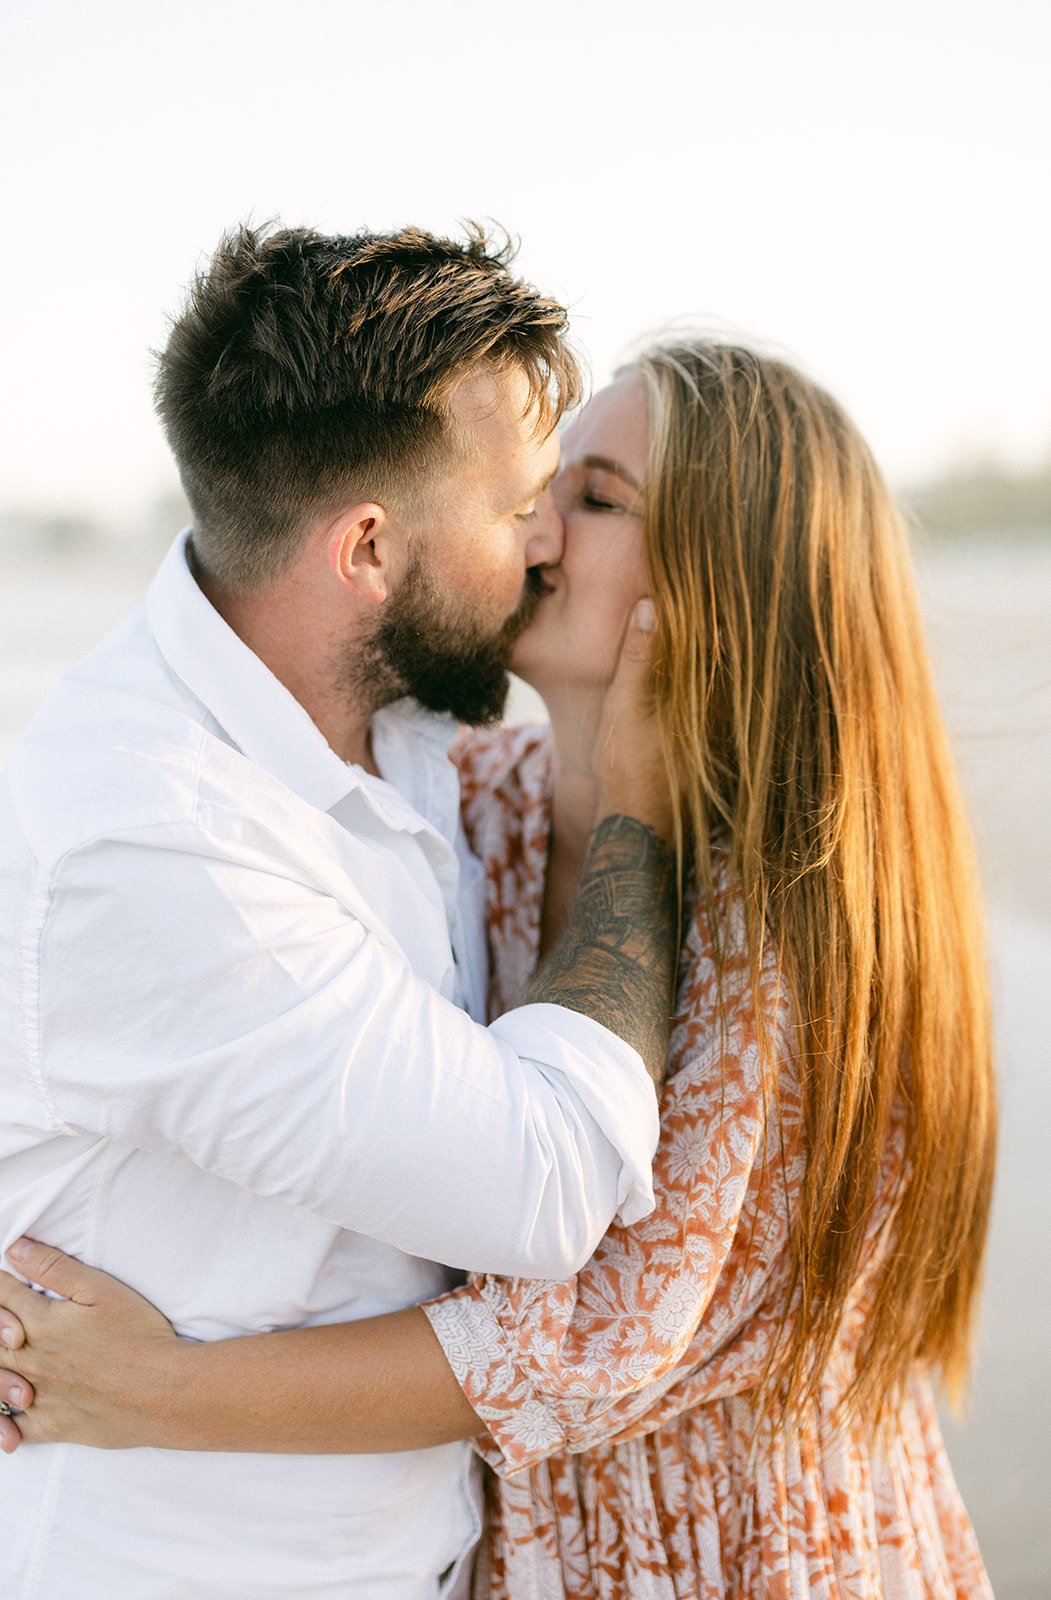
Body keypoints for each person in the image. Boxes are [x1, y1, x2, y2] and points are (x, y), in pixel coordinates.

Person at [0, 340, 996, 1597]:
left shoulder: (791, 915)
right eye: (538, 492)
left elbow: (586, 1342)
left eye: (593, 500)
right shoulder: (480, 809)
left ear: (727, 585)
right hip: (520, 1551)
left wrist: (147, 1386)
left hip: (734, 1546)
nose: (534, 535)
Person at [0, 224, 684, 1599]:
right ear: (367, 549)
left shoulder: (392, 718)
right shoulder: (159, 843)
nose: (544, 538)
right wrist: (643, 812)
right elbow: (543, 1184)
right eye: (515, 509)